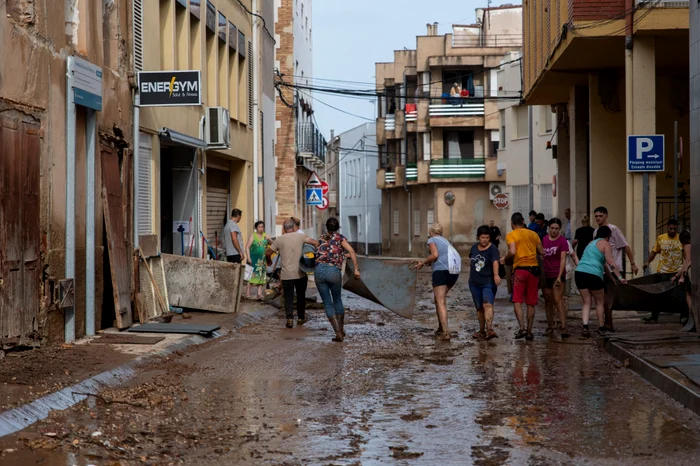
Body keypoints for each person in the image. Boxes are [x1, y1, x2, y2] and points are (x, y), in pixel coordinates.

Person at [575, 226, 627, 337]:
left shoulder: (591, 243)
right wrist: (620, 277)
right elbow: (610, 262)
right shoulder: (605, 244)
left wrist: (612, 278)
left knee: (586, 302)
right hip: (593, 274)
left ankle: (585, 326)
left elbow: (603, 264)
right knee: (599, 302)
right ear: (608, 235)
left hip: (579, 272)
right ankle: (601, 327)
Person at [315, 217, 361, 343]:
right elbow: (351, 251)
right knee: (337, 299)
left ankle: (338, 333)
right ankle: (341, 330)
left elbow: (325, 251)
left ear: (327, 227)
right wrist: (356, 269)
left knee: (327, 302)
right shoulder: (340, 238)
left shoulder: (321, 238)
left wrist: (341, 255)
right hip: (333, 271)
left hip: (319, 271)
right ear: (338, 227)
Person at [267, 219, 318, 328]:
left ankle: (289, 319)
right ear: (294, 227)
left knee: (288, 297)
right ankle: (300, 318)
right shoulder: (301, 236)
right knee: (301, 296)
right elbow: (315, 242)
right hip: (301, 272)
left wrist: (268, 260)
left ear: (285, 229)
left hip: (286, 275)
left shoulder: (279, 239)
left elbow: (268, 252)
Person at [593, 206, 638, 331]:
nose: (598, 218)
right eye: (596, 216)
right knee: (602, 298)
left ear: (606, 216)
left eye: (600, 216)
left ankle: (609, 323)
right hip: (600, 269)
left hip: (614, 268)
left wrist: (633, 263)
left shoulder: (614, 229)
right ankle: (606, 322)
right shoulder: (596, 232)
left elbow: (625, 246)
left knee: (610, 297)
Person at [413, 223, 460, 341]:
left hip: (441, 272)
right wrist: (428, 262)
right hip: (453, 271)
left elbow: (435, 255)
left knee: (440, 301)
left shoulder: (432, 240)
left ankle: (445, 332)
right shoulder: (445, 241)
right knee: (439, 299)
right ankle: (441, 328)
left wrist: (423, 262)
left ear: (431, 232)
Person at [504, 212, 545, 341]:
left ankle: (521, 327)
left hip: (520, 270)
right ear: (523, 222)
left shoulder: (511, 235)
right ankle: (529, 331)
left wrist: (505, 259)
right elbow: (542, 251)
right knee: (531, 302)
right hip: (534, 270)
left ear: (512, 223)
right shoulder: (533, 234)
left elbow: (512, 251)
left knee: (517, 300)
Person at [641, 219, 684, 322]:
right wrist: (647, 262)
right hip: (663, 271)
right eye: (670, 228)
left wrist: (684, 269)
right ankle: (654, 315)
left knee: (680, 295)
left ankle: (683, 316)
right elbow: (654, 251)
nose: (673, 231)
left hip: (677, 271)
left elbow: (686, 254)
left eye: (674, 229)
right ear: (667, 227)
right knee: (658, 295)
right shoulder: (661, 238)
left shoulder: (681, 239)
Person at [469, 226, 501, 341]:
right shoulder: (473, 248)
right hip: (474, 282)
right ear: (478, 237)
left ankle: (489, 329)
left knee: (487, 304)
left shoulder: (492, 249)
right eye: (482, 237)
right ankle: (481, 331)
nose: (485, 240)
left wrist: (496, 275)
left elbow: (495, 262)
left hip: (488, 282)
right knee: (479, 308)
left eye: (487, 237)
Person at [542, 218, 572, 338]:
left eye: (556, 229)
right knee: (548, 300)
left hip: (557, 273)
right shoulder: (544, 239)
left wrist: (560, 276)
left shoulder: (562, 241)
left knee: (557, 299)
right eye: (552, 228)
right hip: (546, 274)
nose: (554, 231)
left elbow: (563, 259)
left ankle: (563, 327)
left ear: (559, 229)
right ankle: (550, 325)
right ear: (549, 228)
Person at [245, 221, 269, 300]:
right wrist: (248, 257)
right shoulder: (253, 236)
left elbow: (273, 243)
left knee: (261, 275)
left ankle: (259, 293)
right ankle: (248, 292)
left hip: (262, 260)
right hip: (253, 259)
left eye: (262, 227)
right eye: (259, 227)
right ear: (256, 228)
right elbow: (247, 247)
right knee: (250, 275)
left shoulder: (265, 236)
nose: (261, 228)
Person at [672, 231, 692, 325]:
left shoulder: (687, 246)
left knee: (688, 294)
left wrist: (682, 277)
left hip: (690, 273)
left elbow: (687, 261)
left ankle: (693, 317)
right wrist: (676, 276)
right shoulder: (693, 245)